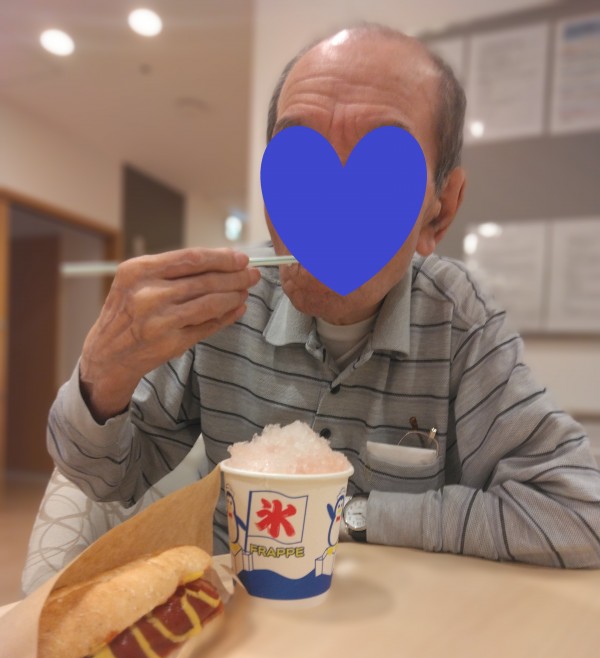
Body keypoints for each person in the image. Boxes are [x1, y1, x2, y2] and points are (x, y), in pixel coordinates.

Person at [47, 23, 600, 568]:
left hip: (403, 614)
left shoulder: (458, 317)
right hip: (235, 603)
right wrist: (104, 374)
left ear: (441, 210)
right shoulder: (222, 305)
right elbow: (109, 479)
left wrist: (351, 516)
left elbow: (579, 512)